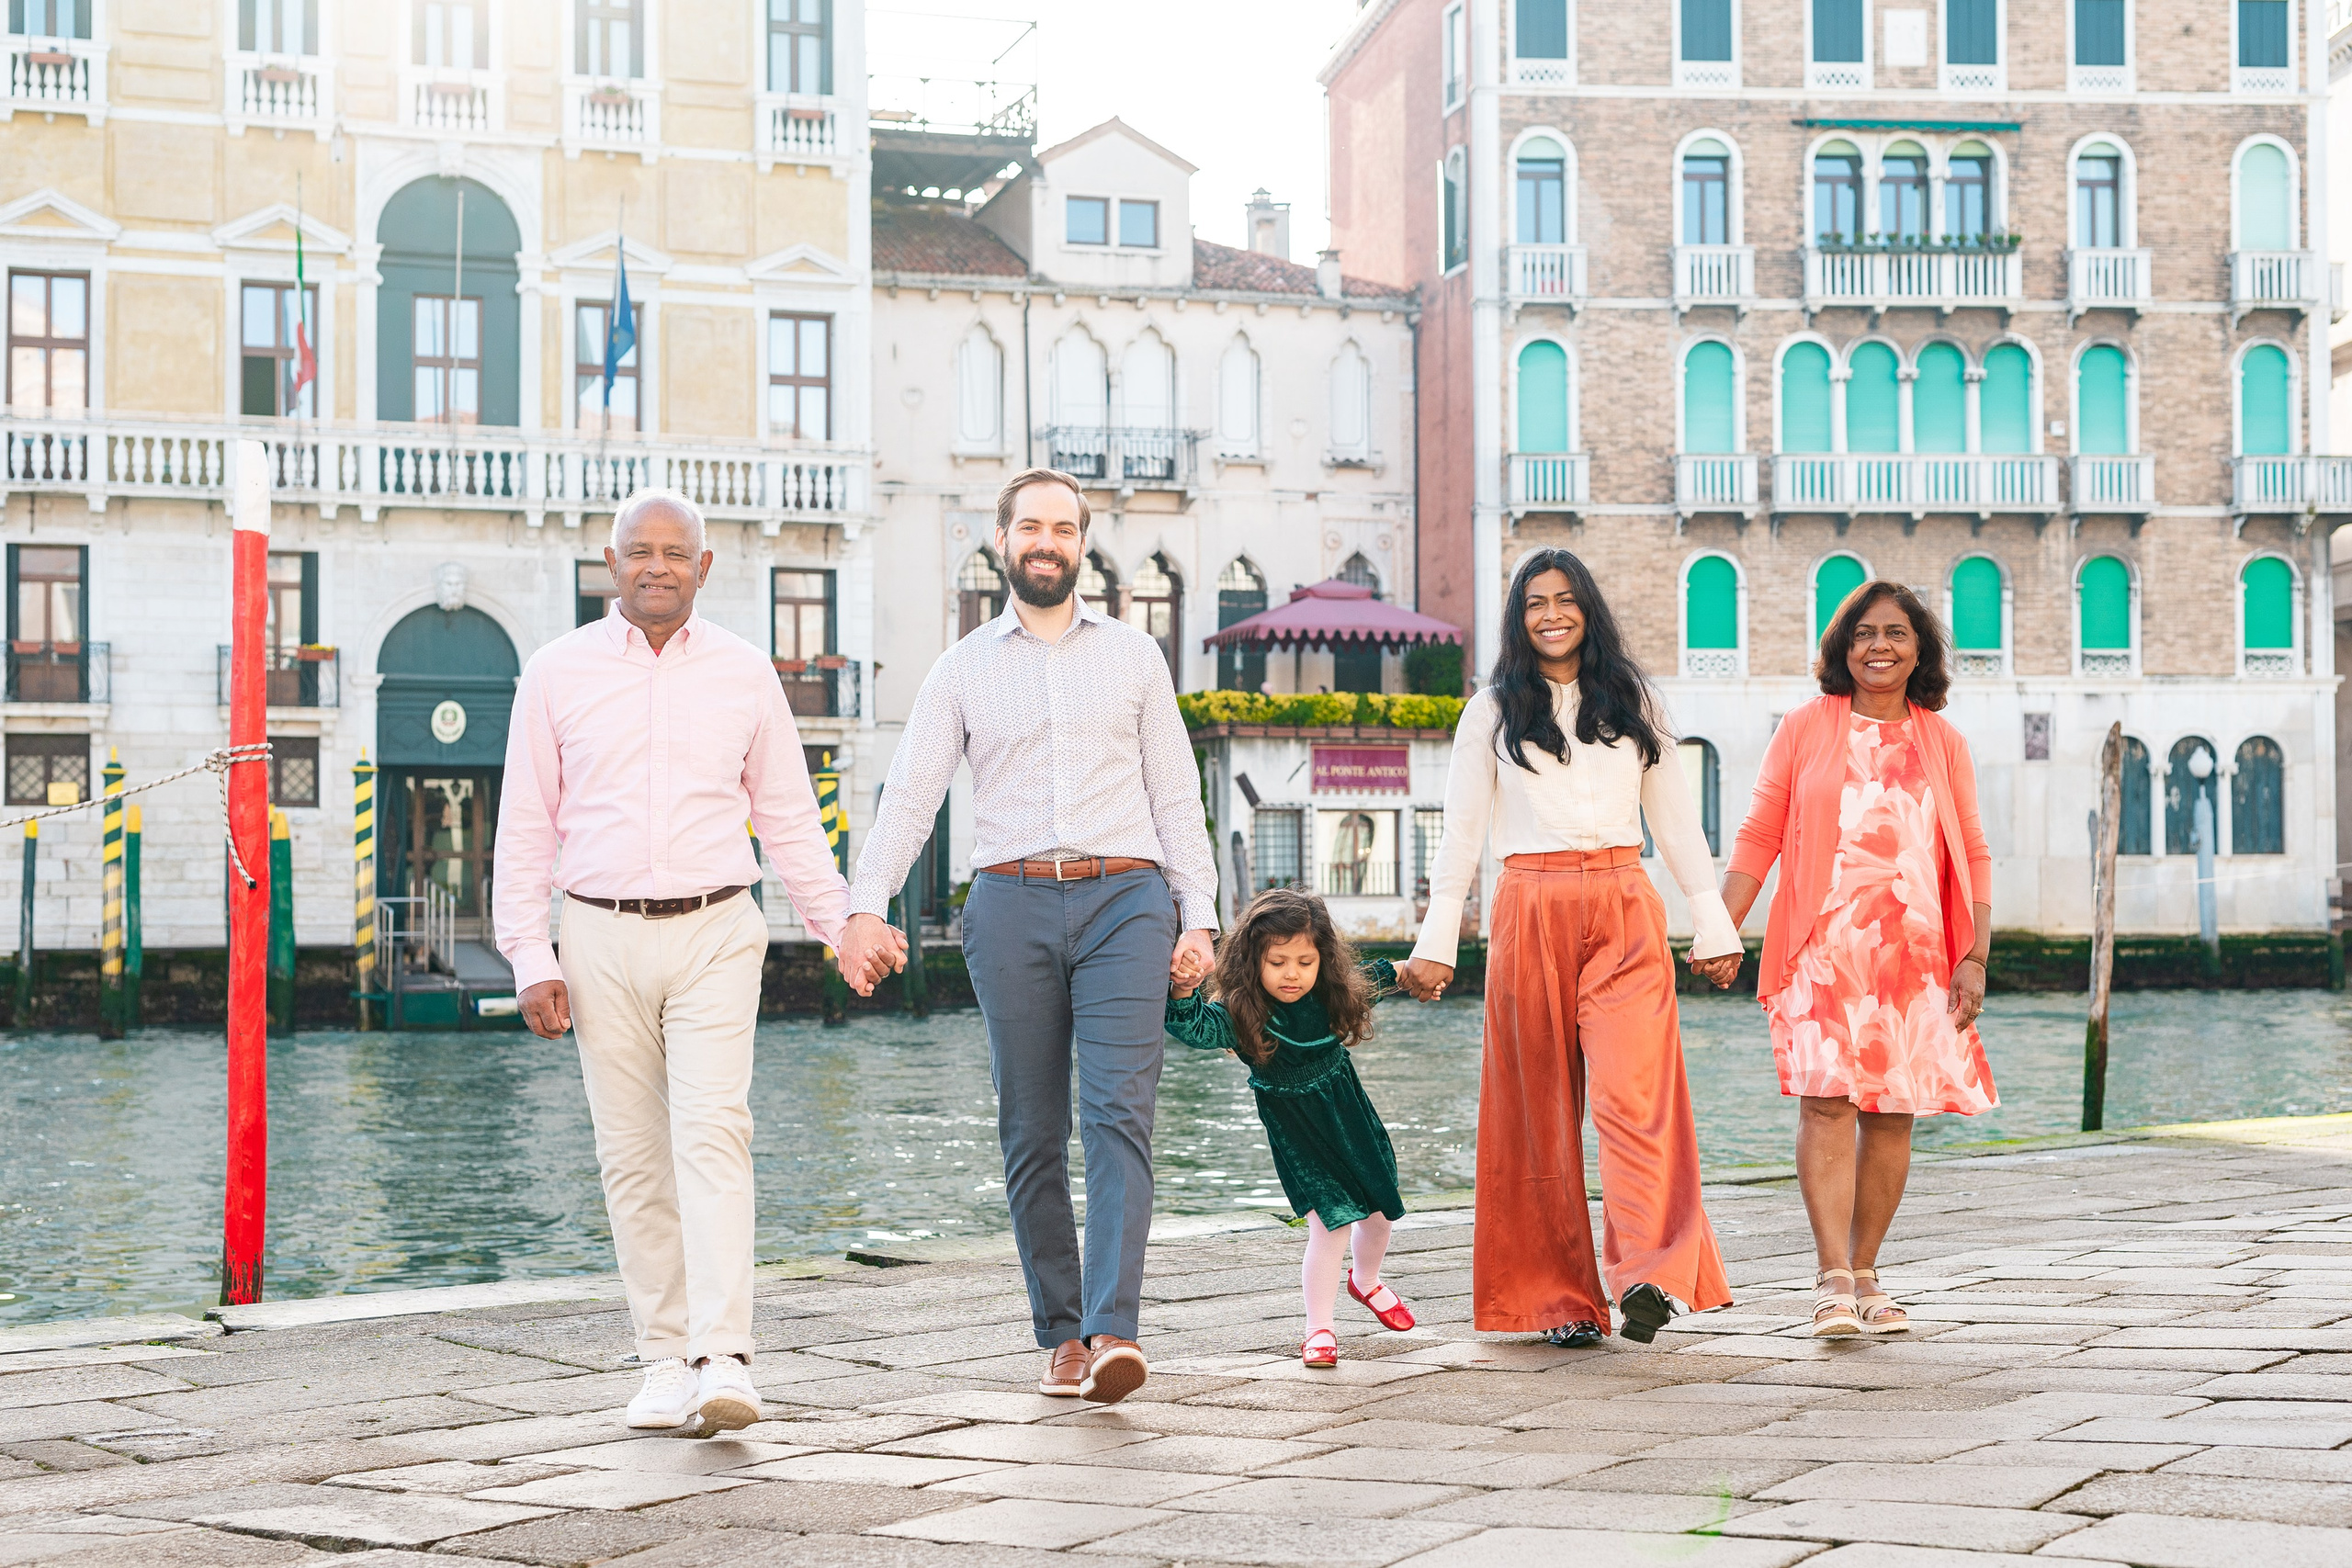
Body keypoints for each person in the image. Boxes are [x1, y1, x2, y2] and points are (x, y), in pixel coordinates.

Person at [497, 488, 903, 1433]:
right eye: (638, 551)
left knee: (714, 1135)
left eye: (676, 553)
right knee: (631, 1156)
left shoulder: (744, 672)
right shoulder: (553, 674)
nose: (657, 566)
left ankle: (726, 1357)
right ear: (610, 564)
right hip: (595, 931)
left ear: (704, 567)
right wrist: (528, 954)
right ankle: (663, 1361)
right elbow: (525, 828)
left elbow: (789, 822)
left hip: (720, 925)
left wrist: (839, 920)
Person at [842, 467, 1218, 1406]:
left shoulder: (1135, 657)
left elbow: (1176, 793)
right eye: (1029, 527)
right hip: (1007, 905)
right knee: (1030, 1129)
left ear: (1081, 545)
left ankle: (1113, 1331)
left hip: (1126, 899)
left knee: (1119, 1115)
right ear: (1002, 541)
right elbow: (912, 799)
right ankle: (1060, 1336)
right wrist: (866, 903)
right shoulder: (960, 669)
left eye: (1063, 527)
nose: (1045, 541)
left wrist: (1199, 913)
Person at [1401, 548, 1741, 1347]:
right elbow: (1463, 833)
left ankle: (1650, 1274)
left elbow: (1678, 820)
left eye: (1565, 600)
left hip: (1627, 900)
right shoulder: (1489, 712)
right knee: (1536, 1114)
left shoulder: (1635, 700)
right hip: (1530, 903)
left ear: (1589, 608)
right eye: (1533, 604)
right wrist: (1438, 939)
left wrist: (1712, 917)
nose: (1551, 614)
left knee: (1639, 1096)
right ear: (1518, 619)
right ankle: (1555, 1300)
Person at [1709, 580, 1993, 1337]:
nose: (1880, 646)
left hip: (1916, 952)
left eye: (1897, 633)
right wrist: (1719, 925)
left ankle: (1868, 1272)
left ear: (1920, 649)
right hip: (1820, 947)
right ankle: (1832, 1276)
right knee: (1826, 1100)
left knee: (1893, 1112)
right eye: (1865, 632)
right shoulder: (1805, 727)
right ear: (1843, 646)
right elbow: (1760, 830)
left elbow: (1971, 851)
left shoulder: (1945, 741)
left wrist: (1976, 957)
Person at [1165, 888, 1419, 1369]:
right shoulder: (1242, 1014)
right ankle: (1318, 1329)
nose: (1292, 974)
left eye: (1305, 962)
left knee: (1382, 1211)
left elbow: (1388, 974)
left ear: (1323, 960)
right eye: (1278, 962)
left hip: (1351, 1115)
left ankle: (1366, 1281)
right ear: (1251, 962)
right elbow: (1191, 1025)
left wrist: (1420, 970)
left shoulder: (1334, 994)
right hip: (1296, 1130)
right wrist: (1182, 990)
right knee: (1331, 1222)